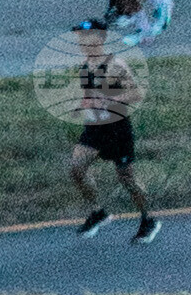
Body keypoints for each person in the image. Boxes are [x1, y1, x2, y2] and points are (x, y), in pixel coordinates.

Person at [67, 42, 158, 239]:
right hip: (94, 129)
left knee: (126, 178)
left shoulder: (117, 65)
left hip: (117, 130)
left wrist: (114, 100)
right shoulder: (84, 67)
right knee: (76, 168)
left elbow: (137, 93)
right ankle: (97, 212)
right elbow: (89, 94)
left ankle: (148, 219)